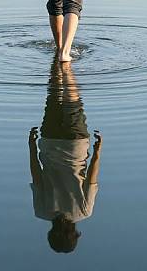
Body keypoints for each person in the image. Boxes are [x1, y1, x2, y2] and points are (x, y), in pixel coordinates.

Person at [28, 58, 102, 253]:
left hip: (75, 145)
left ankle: (66, 63)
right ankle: (60, 60)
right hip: (50, 142)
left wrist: (98, 150)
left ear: (75, 233)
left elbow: (92, 178)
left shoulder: (84, 212)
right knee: (52, 94)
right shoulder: (41, 211)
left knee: (72, 97)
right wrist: (31, 146)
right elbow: (36, 174)